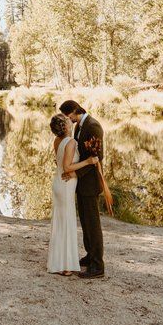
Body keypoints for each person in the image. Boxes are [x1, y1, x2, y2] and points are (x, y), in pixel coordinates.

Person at [47, 113, 99, 275]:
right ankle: (65, 266)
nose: (71, 121)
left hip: (59, 183)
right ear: (66, 126)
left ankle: (59, 261)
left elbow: (59, 162)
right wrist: (88, 162)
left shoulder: (57, 141)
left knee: (60, 223)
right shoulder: (70, 142)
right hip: (66, 185)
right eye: (69, 121)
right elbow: (68, 167)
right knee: (67, 223)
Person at [59, 100, 105, 279]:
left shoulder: (93, 126)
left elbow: (96, 157)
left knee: (93, 225)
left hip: (90, 183)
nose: (67, 120)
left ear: (73, 112)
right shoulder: (80, 125)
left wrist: (75, 174)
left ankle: (98, 266)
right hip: (81, 183)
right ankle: (90, 255)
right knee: (85, 222)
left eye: (67, 116)